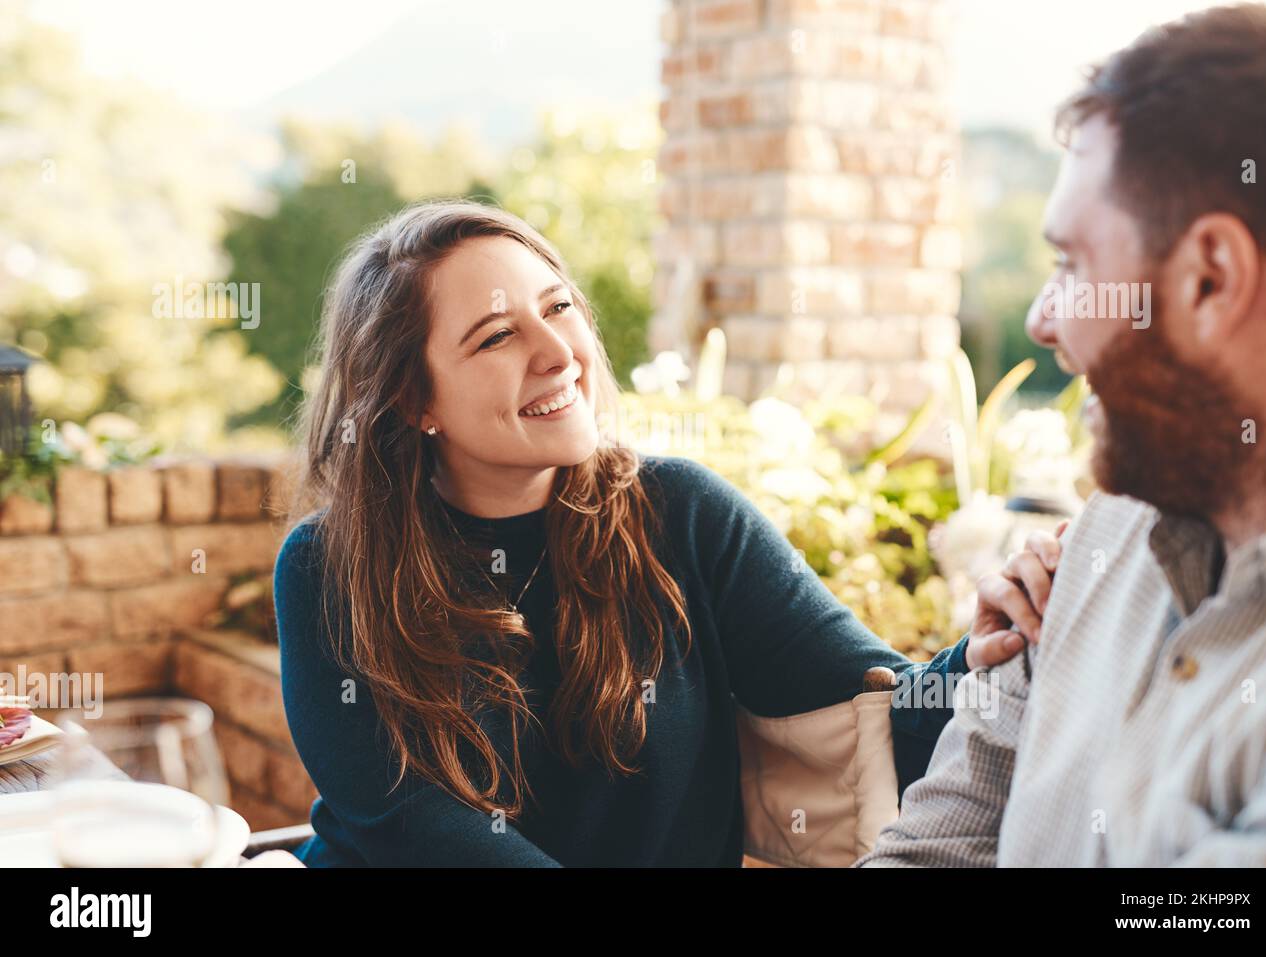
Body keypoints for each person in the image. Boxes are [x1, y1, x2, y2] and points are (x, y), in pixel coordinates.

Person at [273, 199, 1033, 867]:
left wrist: (988, 651)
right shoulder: (328, 567)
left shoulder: (681, 515)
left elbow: (879, 717)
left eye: (559, 307)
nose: (556, 353)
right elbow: (417, 827)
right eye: (497, 336)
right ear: (413, 399)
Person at [858, 3, 1266, 867]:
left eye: (1071, 266)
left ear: (1211, 279)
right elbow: (923, 854)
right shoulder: (1100, 541)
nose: (1041, 319)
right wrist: (991, 682)